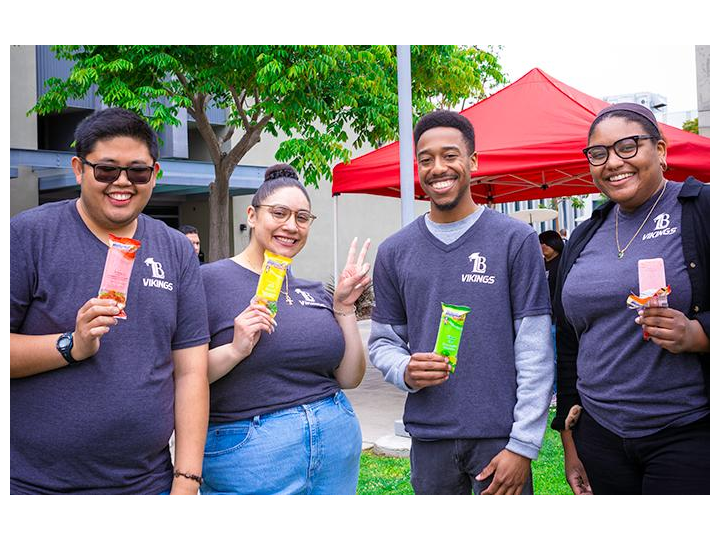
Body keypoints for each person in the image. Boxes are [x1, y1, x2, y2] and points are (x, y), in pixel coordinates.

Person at [10, 108, 210, 494]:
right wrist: (72, 345)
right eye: (105, 170)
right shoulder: (28, 236)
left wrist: (186, 481)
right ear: (78, 169)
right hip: (35, 486)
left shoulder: (175, 250)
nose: (122, 182)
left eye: (137, 171)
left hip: (145, 484)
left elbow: (190, 373)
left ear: (154, 174)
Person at [369, 110, 554, 495]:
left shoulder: (515, 240)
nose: (438, 168)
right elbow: (383, 342)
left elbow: (535, 349)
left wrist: (522, 445)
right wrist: (404, 368)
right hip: (429, 437)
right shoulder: (394, 251)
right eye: (426, 159)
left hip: (500, 437)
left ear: (472, 162)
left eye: (450, 155)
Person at [551, 102, 709, 495]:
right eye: (598, 153)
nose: (612, 162)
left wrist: (698, 333)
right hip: (600, 433)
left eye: (627, 146)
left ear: (660, 150)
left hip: (686, 430)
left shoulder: (702, 208)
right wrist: (570, 441)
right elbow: (570, 342)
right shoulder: (587, 234)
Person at [199, 163, 371, 494]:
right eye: (279, 213)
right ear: (252, 215)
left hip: (336, 440)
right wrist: (236, 349)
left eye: (302, 217)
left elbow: (350, 378)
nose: (291, 226)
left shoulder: (315, 289)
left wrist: (345, 308)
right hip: (253, 452)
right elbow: (183, 375)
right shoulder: (209, 281)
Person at [539, 229, 564, 401]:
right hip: (544, 315)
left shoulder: (562, 263)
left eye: (545, 243)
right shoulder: (541, 264)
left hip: (558, 317)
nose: (542, 247)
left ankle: (556, 390)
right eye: (540, 243)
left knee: (555, 356)